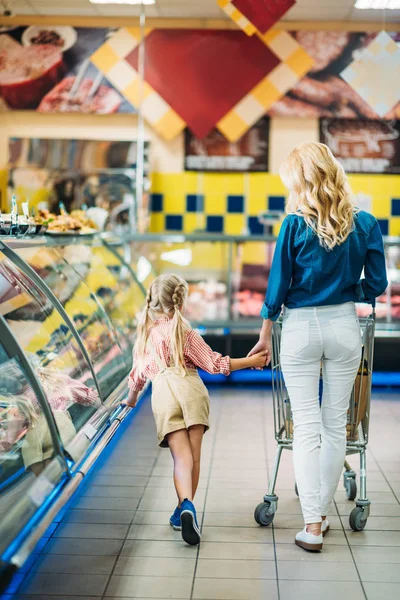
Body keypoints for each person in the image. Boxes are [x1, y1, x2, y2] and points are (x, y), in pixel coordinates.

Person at [249, 142, 388, 552]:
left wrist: (264, 331)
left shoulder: (293, 225)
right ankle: (321, 515)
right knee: (335, 423)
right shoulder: (365, 222)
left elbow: (277, 286)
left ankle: (312, 523)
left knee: (306, 424)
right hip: (345, 325)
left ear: (301, 181)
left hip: (300, 330)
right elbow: (378, 284)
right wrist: (348, 289)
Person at [124, 274, 267, 546]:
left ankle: (185, 505)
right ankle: (183, 511)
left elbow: (138, 376)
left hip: (164, 395)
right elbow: (215, 365)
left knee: (181, 460)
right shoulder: (186, 334)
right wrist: (251, 360)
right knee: (195, 459)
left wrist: (131, 400)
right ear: (181, 301)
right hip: (192, 392)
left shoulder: (145, 336)